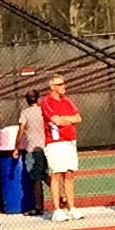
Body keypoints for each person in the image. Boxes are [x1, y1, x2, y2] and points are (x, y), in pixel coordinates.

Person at [40, 75, 83, 221]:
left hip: (70, 141)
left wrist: (66, 119)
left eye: (64, 83)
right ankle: (57, 210)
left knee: (69, 174)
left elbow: (78, 118)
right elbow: (56, 120)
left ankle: (72, 208)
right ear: (52, 87)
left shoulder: (67, 101)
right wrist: (66, 119)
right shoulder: (46, 102)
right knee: (56, 174)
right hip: (55, 143)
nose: (64, 86)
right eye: (60, 84)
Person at [17, 90, 48, 215]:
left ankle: (38, 207)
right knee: (44, 174)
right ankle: (61, 195)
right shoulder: (43, 111)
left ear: (27, 100)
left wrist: (16, 147)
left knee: (36, 178)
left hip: (32, 149)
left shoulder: (25, 113)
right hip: (45, 147)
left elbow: (21, 129)